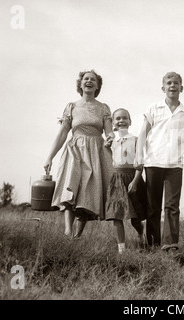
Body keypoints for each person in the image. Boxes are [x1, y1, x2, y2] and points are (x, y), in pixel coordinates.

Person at [135, 71, 184, 252]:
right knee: (153, 207)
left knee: (172, 207)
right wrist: (138, 155)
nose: (172, 86)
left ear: (181, 88)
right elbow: (143, 134)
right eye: (169, 83)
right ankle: (152, 244)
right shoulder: (153, 108)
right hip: (153, 163)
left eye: (176, 83)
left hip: (175, 166)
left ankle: (170, 245)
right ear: (163, 88)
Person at [44, 69, 115, 239]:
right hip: (75, 150)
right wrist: (49, 157)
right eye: (86, 79)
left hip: (96, 151)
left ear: (97, 86)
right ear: (80, 83)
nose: (89, 81)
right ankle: (68, 231)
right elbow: (62, 133)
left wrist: (111, 138)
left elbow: (109, 132)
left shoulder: (103, 108)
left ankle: (77, 236)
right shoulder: (72, 107)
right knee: (70, 187)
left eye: (93, 80)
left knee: (88, 192)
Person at [105, 108, 147, 254]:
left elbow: (139, 163)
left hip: (132, 177)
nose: (121, 121)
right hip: (117, 179)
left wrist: (135, 182)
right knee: (116, 214)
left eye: (124, 118)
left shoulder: (135, 139)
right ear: (113, 123)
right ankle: (121, 249)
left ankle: (141, 235)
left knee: (135, 217)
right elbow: (113, 161)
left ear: (130, 121)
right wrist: (107, 148)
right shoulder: (111, 141)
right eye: (117, 119)